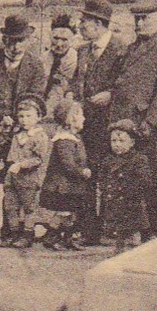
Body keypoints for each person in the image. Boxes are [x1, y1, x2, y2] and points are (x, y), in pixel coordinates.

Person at [108, 0, 157, 240]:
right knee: (130, 181)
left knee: (153, 179)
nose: (139, 24)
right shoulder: (132, 48)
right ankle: (135, 231)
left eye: (145, 19)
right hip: (127, 126)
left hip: (148, 127)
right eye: (137, 19)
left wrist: (150, 122)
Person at [0, 14, 47, 247]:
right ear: (3, 39)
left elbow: (35, 99)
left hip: (19, 134)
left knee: (15, 183)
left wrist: (17, 122)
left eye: (20, 41)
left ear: (28, 40)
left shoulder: (35, 65)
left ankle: (10, 230)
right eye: (11, 41)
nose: (15, 47)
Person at [74, 0, 125, 244]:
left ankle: (110, 229)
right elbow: (76, 83)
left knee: (110, 176)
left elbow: (129, 84)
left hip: (109, 124)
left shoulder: (121, 49)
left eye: (84, 21)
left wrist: (112, 94)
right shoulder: (82, 50)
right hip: (85, 125)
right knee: (86, 176)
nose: (80, 25)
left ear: (97, 23)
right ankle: (88, 230)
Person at [37, 99, 93, 250]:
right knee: (63, 213)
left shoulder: (75, 138)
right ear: (71, 118)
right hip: (62, 186)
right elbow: (67, 164)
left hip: (71, 185)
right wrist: (82, 171)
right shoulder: (64, 140)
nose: (84, 118)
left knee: (70, 213)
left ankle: (67, 238)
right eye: (81, 115)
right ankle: (52, 236)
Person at [2, 96, 50, 247]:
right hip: (13, 177)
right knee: (10, 206)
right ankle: (14, 233)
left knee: (29, 208)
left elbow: (38, 159)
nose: (24, 120)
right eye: (21, 116)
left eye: (29, 116)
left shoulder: (40, 136)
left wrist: (22, 164)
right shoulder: (17, 134)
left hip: (29, 178)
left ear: (38, 117)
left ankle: (27, 235)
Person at [99, 120, 148, 253]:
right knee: (118, 231)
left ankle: (134, 253)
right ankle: (118, 251)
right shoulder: (108, 160)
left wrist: (130, 191)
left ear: (132, 142)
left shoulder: (138, 159)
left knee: (132, 231)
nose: (117, 145)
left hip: (131, 202)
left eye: (121, 141)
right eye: (113, 141)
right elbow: (102, 178)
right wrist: (105, 189)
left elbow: (142, 180)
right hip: (114, 201)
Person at [42, 13, 80, 116]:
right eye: (56, 38)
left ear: (72, 40)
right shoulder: (43, 58)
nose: (59, 44)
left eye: (64, 40)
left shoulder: (77, 60)